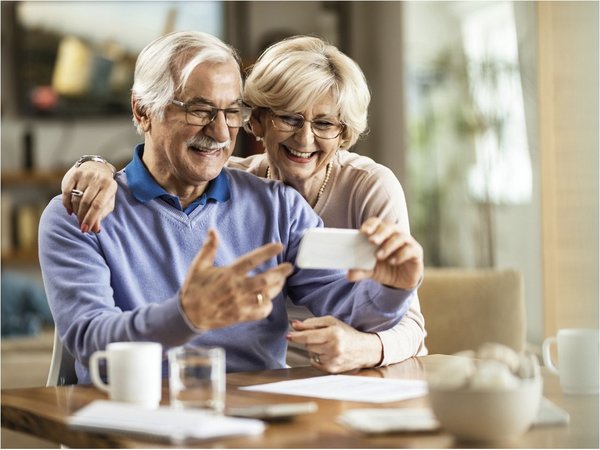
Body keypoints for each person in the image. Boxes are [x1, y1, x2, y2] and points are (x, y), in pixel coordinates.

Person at [39, 31, 422, 384]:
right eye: (200, 110)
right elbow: (90, 340)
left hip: (259, 419)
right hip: (136, 412)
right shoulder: (76, 214)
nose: (221, 132)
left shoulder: (278, 204)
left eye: (230, 112)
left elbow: (350, 309)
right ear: (142, 111)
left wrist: (392, 287)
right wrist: (186, 315)